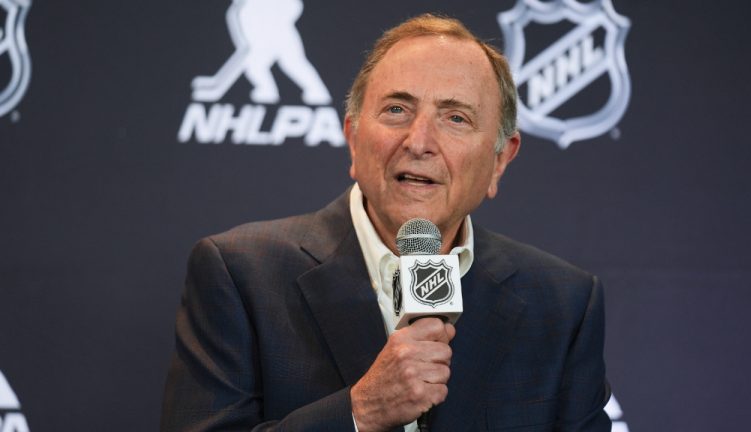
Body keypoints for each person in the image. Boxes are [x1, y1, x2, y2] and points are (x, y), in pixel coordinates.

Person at [161, 13, 611, 432]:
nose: (419, 142)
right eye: (397, 109)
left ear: (499, 160)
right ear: (353, 137)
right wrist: (360, 412)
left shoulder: (563, 303)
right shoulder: (240, 274)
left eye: (456, 118)